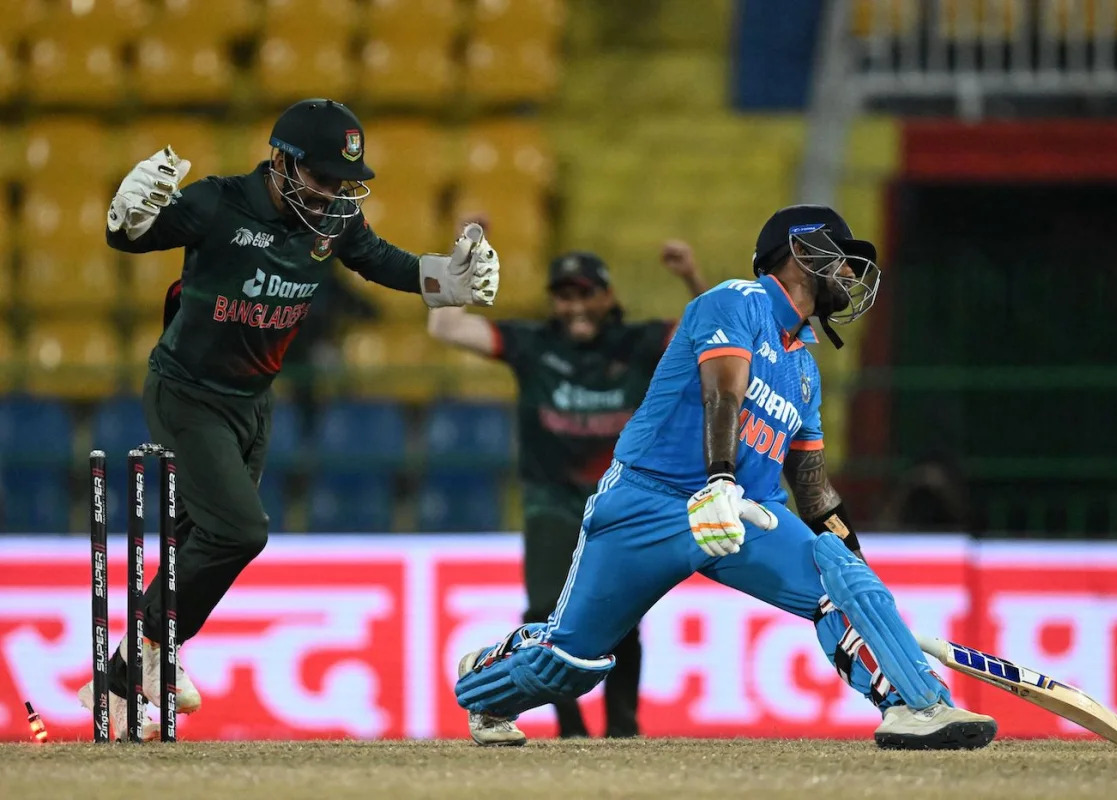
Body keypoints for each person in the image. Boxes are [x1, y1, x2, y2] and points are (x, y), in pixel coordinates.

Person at [452, 205, 999, 750]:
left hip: (746, 515)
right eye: (844, 260)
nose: (853, 276)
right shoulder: (736, 301)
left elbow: (813, 491)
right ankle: (488, 681)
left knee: (839, 577)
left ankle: (914, 705)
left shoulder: (804, 370)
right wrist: (719, 481)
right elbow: (723, 392)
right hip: (649, 501)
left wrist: (864, 585)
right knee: (572, 664)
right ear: (803, 252)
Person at [78, 98, 500, 739]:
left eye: (344, 182)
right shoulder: (220, 201)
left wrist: (452, 280)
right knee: (240, 532)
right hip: (188, 395)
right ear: (282, 161)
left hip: (254, 402)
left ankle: (120, 676)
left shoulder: (333, 225)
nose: (333, 194)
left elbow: (390, 264)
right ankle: (145, 654)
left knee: (202, 539)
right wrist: (125, 216)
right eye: (322, 178)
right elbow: (135, 235)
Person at [428, 241, 707, 738]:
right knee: (543, 613)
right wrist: (464, 258)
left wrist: (691, 277)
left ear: (608, 296)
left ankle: (624, 727)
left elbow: (717, 338)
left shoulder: (638, 343)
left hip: (621, 498)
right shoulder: (533, 344)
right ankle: (571, 727)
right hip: (552, 498)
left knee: (624, 616)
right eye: (564, 295)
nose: (576, 305)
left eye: (587, 293)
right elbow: (443, 325)